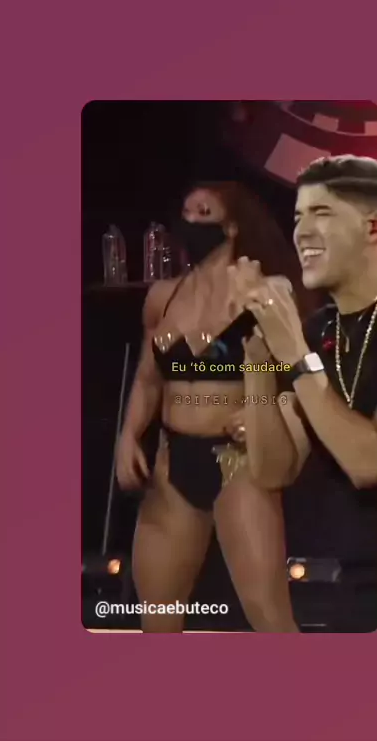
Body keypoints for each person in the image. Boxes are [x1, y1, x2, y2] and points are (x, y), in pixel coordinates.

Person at [115, 180, 314, 632]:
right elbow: (147, 378)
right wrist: (128, 435)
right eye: (186, 212)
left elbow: (303, 373)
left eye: (203, 212)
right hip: (171, 466)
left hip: (236, 464)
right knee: (158, 617)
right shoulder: (163, 296)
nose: (191, 221)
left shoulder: (263, 291)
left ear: (232, 226)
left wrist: (270, 409)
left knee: (270, 617)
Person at [229, 155, 377, 632]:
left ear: (374, 227)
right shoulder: (319, 331)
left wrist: (293, 351)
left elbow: (370, 462)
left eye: (322, 213)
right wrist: (258, 349)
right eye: (298, 217)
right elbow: (274, 468)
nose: (302, 233)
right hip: (354, 590)